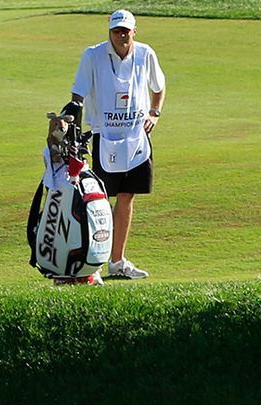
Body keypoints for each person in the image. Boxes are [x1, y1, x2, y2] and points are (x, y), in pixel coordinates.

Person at [66, 8, 166, 279]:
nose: (121, 35)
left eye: (125, 30)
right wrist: (73, 121)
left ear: (134, 31)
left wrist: (154, 113)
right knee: (97, 202)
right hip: (104, 136)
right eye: (116, 30)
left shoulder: (145, 54)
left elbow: (158, 86)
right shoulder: (93, 55)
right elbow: (79, 91)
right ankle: (91, 265)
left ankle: (117, 261)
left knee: (127, 196)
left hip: (136, 138)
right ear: (109, 31)